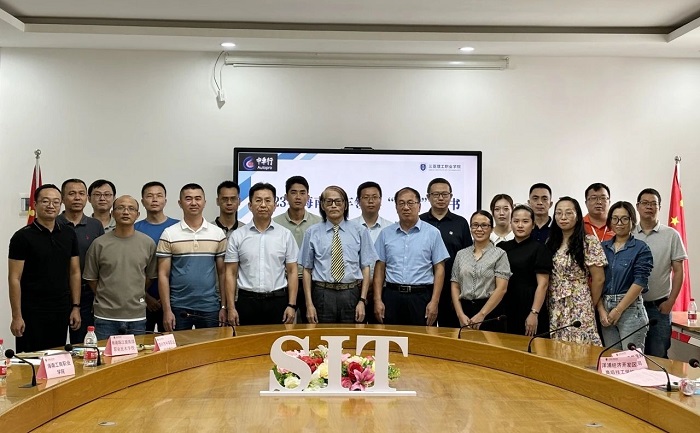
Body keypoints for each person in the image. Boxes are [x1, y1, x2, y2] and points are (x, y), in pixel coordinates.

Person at [8, 184, 81, 352]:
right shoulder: (22, 237)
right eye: (45, 201)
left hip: (61, 308)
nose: (51, 206)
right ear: (35, 204)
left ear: (61, 205)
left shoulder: (69, 234)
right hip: (31, 310)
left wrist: (75, 307)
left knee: (56, 356)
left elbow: (75, 272)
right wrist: (16, 316)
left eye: (56, 202)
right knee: (31, 359)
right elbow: (14, 278)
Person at [83, 196, 158, 340]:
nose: (126, 212)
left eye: (131, 208)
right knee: (105, 354)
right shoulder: (99, 244)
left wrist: (135, 292)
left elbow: (150, 276)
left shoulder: (147, 243)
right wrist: (107, 296)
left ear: (138, 214)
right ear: (112, 213)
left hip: (136, 317)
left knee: (136, 355)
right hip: (105, 317)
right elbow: (91, 279)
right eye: (121, 208)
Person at [300, 186, 377, 323]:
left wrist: (362, 300)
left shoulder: (360, 231)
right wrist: (309, 304)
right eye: (329, 202)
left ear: (345, 205)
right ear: (322, 205)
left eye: (338, 201)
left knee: (351, 335)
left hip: (351, 293)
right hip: (322, 293)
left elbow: (365, 267)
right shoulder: (312, 232)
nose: (334, 205)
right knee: (323, 336)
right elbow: (307, 269)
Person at [373, 187, 450, 326]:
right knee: (392, 337)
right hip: (392, 296)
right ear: (396, 207)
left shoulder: (432, 233)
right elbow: (380, 268)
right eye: (401, 203)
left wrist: (434, 301)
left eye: (410, 203)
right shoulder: (386, 233)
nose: (406, 207)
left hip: (421, 297)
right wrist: (377, 300)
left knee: (422, 338)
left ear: (419, 206)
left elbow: (439, 269)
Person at [225, 182, 299, 325]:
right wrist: (231, 308)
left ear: (275, 205)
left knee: (277, 339)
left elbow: (292, 271)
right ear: (250, 206)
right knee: (246, 340)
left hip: (277, 301)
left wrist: (291, 305)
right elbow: (230, 273)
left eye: (268, 200)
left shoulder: (285, 235)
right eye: (258, 200)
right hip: (247, 302)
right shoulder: (238, 235)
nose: (263, 205)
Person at [157, 183, 227, 331]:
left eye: (198, 198)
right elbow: (163, 274)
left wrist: (223, 307)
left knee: (210, 346)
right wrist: (167, 310)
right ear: (180, 203)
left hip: (210, 307)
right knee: (179, 346)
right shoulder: (169, 234)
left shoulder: (217, 233)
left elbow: (223, 273)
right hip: (178, 307)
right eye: (188, 199)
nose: (193, 203)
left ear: (204, 202)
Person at [634, 188, 688, 358]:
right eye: (645, 203)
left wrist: (671, 301)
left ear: (659, 207)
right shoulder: (629, 234)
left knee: (658, 354)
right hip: (632, 306)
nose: (649, 207)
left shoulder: (671, 235)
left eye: (653, 203)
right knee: (633, 355)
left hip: (660, 307)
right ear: (637, 206)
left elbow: (679, 271)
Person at [546, 197, 606, 345]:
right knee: (558, 345)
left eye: (568, 213)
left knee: (581, 345)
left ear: (578, 216)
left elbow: (599, 279)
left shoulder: (589, 241)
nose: (563, 217)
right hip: (556, 301)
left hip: (579, 301)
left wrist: (589, 304)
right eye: (558, 213)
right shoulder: (551, 241)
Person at [598, 201, 653, 350]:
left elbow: (640, 281)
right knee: (612, 359)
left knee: (631, 359)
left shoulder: (641, 248)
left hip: (630, 309)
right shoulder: (602, 247)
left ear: (632, 220)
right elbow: (595, 281)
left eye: (624, 219)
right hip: (605, 307)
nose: (619, 223)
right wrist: (601, 310)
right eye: (615, 219)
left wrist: (618, 309)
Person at [56, 178, 104, 343]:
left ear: (87, 198)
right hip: (58, 293)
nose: (77, 197)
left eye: (81, 193)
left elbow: (101, 260)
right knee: (54, 346)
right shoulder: (54, 223)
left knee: (82, 344)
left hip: (86, 294)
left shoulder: (95, 225)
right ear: (62, 198)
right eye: (72, 193)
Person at [419, 178, 472, 328]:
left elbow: (468, 257)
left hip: (452, 288)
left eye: (445, 194)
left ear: (451, 196)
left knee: (450, 333)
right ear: (428, 197)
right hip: (424, 288)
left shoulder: (460, 223)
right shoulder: (419, 221)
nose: (441, 198)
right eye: (436, 194)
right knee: (424, 332)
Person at [451, 211, 511, 332]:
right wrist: (460, 314)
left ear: (491, 229)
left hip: (490, 311)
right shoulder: (461, 254)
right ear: (470, 228)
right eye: (475, 225)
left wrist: (482, 314)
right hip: (465, 311)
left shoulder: (500, 254)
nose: (479, 229)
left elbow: (502, 288)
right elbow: (455, 285)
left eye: (484, 225)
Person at [273, 176, 322, 323]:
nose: (298, 197)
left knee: (312, 324)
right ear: (286, 197)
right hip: (285, 282)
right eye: (293, 192)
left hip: (312, 283)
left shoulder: (319, 223)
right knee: (286, 325)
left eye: (302, 193)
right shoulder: (275, 224)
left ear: (308, 197)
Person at [498, 205, 552, 336]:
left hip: (530, 305)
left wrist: (534, 312)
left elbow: (543, 284)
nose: (520, 225)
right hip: (505, 306)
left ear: (533, 225)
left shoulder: (540, 249)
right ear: (510, 223)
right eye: (516, 221)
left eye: (525, 221)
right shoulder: (501, 247)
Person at [134, 181, 179, 333]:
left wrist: (167, 299)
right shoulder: (134, 229)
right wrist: (146, 297)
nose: (154, 199)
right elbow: (132, 269)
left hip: (173, 300)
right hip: (140, 300)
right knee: (140, 343)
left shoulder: (178, 228)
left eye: (159, 196)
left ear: (165, 200)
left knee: (170, 343)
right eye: (150, 196)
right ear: (142, 201)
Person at [351, 181, 393, 323]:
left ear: (381, 200)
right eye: (366, 197)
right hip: (355, 290)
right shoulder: (350, 227)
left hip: (383, 291)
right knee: (356, 331)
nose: (371, 201)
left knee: (380, 332)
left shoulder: (391, 229)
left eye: (375, 197)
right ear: (358, 201)